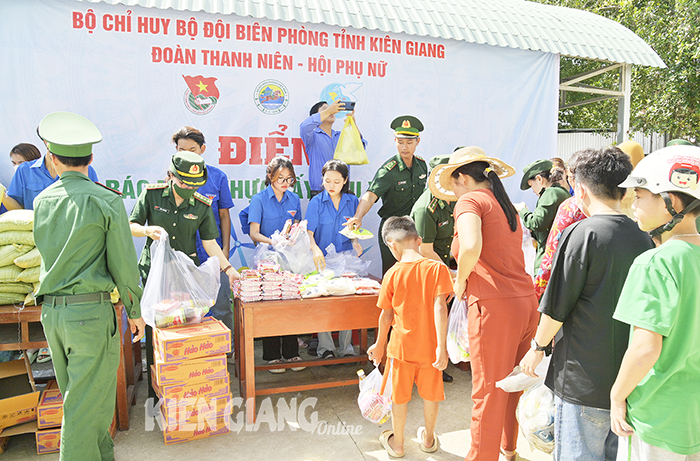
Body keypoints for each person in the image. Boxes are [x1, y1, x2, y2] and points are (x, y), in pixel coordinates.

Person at [520, 147, 655, 461]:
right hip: (628, 381)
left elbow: (556, 307)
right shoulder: (645, 235)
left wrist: (537, 347)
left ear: (579, 189)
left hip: (583, 382)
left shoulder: (581, 233)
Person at [32, 111, 146, 461]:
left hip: (53, 314)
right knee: (83, 408)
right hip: (91, 316)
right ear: (91, 158)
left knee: (86, 399)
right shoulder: (106, 200)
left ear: (52, 158)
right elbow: (124, 265)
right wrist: (136, 310)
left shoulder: (41, 201)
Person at [428, 146, 538, 461]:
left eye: (454, 182)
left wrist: (460, 281)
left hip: (494, 306)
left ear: (463, 177)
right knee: (512, 384)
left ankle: (481, 456)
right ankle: (509, 449)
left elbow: (471, 246)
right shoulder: (507, 206)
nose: (454, 191)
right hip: (525, 302)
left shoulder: (470, 201)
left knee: (488, 390)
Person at [610, 145, 700, 460]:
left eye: (639, 196)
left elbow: (646, 348)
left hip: (656, 415)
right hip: (693, 416)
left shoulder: (655, 262)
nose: (632, 205)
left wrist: (617, 395)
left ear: (670, 202)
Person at [129, 151, 240, 397]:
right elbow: (131, 225)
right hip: (156, 275)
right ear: (170, 176)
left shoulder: (201, 204)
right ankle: (156, 394)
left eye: (195, 184)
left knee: (185, 330)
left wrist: (228, 269)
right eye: (183, 183)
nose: (189, 188)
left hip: (186, 278)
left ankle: (184, 388)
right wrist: (148, 230)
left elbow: (210, 243)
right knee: (157, 330)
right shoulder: (152, 195)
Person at [367, 216, 452, 458]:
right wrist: (441, 348)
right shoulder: (438, 269)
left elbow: (386, 316)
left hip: (400, 349)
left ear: (391, 245)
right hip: (430, 349)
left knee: (399, 398)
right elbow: (440, 308)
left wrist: (379, 345)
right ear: (419, 240)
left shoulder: (392, 274)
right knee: (431, 396)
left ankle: (399, 444)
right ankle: (427, 439)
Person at [171, 126, 235, 339]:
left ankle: (226, 352)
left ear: (202, 149)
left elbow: (224, 216)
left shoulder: (217, 177)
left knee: (221, 306)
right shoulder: (172, 178)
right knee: (187, 309)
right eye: (181, 149)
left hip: (214, 253)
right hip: (183, 255)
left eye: (192, 149)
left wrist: (224, 250)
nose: (187, 154)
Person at [347, 115, 427, 274]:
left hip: (415, 228)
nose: (404, 147)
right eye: (400, 142)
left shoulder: (422, 165)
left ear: (417, 141)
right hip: (393, 229)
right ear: (395, 141)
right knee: (393, 273)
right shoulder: (388, 171)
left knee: (415, 274)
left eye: (409, 142)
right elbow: (370, 195)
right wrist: (358, 216)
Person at [247, 156, 304, 372]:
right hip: (267, 259)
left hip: (289, 257)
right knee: (271, 305)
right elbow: (254, 233)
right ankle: (272, 355)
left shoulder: (294, 199)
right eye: (281, 178)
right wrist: (274, 240)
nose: (285, 183)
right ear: (270, 176)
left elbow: (297, 224)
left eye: (289, 179)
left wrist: (295, 234)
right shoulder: (259, 199)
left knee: (290, 304)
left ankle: (292, 353)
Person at [306, 159, 361, 359]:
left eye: (336, 182)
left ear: (345, 181)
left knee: (347, 303)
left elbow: (353, 229)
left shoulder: (353, 202)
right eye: (327, 181)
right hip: (323, 261)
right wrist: (315, 250)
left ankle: (346, 348)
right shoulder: (316, 202)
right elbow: (309, 233)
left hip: (346, 259)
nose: (331, 186)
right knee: (325, 304)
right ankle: (326, 348)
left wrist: (355, 241)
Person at [410, 152, 457, 383]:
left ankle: (437, 363)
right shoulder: (425, 208)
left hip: (442, 266)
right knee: (427, 319)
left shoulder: (455, 200)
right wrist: (450, 275)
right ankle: (424, 369)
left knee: (440, 318)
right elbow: (425, 250)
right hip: (426, 269)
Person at [4, 131, 99, 210]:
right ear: (46, 142)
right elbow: (16, 207)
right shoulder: (24, 170)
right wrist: (3, 196)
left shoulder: (84, 169)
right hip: (36, 230)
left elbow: (95, 205)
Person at [533, 160, 586, 299]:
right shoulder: (627, 219)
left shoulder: (572, 206)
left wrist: (537, 291)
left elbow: (552, 250)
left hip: (568, 275)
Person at [300, 99, 367, 197]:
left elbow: (360, 148)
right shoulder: (312, 137)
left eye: (331, 109)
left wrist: (353, 123)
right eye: (325, 109)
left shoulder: (342, 136)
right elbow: (304, 127)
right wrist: (329, 111)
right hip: (320, 193)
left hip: (342, 193)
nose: (331, 111)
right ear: (316, 116)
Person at [514, 158, 570, 272]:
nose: (533, 190)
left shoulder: (550, 193)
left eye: (532, 185)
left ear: (539, 179)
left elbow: (537, 223)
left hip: (549, 260)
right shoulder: (561, 192)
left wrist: (522, 210)